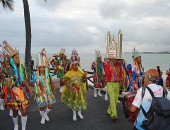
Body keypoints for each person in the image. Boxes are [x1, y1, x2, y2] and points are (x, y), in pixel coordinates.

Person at [2, 41, 32, 130]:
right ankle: (16, 125)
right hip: (12, 92)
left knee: (24, 111)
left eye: (19, 57)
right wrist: (8, 80)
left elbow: (25, 80)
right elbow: (4, 81)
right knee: (15, 111)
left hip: (21, 91)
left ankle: (23, 128)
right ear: (12, 60)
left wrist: (28, 88)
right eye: (16, 58)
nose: (18, 59)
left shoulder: (22, 68)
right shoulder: (8, 70)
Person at [61, 49, 87, 121]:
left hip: (80, 90)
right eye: (74, 65)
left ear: (78, 65)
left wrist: (84, 76)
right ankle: (74, 114)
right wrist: (68, 86)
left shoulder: (81, 72)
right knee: (73, 102)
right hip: (72, 90)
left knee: (80, 101)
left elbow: (83, 81)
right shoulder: (69, 73)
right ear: (71, 65)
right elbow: (63, 80)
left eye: (76, 65)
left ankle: (79, 112)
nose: (75, 66)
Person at [34, 49, 56, 124]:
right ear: (38, 68)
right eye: (41, 67)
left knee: (50, 106)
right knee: (41, 108)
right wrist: (36, 93)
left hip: (49, 92)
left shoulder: (48, 74)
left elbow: (52, 82)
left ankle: (46, 113)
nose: (42, 69)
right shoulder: (35, 76)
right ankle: (43, 117)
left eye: (43, 67)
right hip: (40, 94)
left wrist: (54, 90)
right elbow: (34, 85)